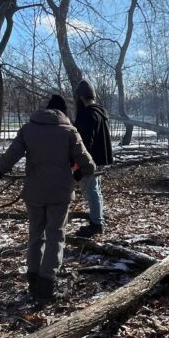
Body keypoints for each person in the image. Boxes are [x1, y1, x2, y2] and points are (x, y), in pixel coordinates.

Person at [0, 95, 95, 301]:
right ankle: (47, 284)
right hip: (60, 193)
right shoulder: (70, 132)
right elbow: (89, 164)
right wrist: (80, 172)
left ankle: (33, 278)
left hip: (34, 192)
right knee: (55, 236)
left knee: (35, 235)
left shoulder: (29, 129)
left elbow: (11, 156)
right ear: (64, 112)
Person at [73, 80, 113, 237]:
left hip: (90, 161)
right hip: (99, 159)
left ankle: (96, 224)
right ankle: (97, 220)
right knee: (96, 191)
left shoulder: (88, 114)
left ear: (81, 97)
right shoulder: (100, 112)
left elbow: (84, 144)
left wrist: (79, 165)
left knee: (92, 192)